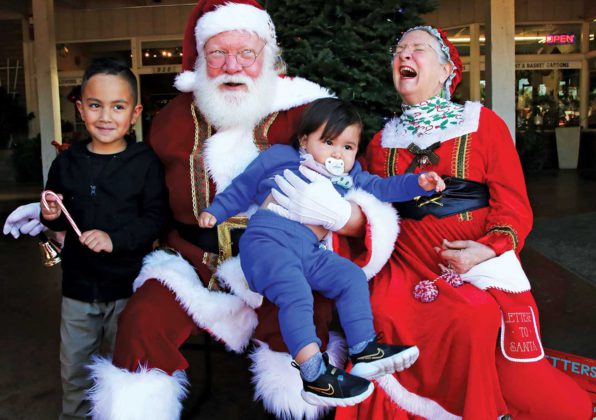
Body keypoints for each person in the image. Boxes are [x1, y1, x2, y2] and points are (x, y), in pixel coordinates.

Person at [0, 2, 405, 419]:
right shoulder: (171, 119)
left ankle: (301, 403)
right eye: (217, 52)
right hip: (191, 263)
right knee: (141, 322)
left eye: (246, 53)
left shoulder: (308, 112)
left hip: (284, 258)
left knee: (310, 311)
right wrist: (58, 212)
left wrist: (343, 216)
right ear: (199, 57)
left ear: (266, 56)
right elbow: (133, 189)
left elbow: (362, 188)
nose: (232, 65)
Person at [272, 26, 592, 419]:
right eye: (399, 50)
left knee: (475, 317)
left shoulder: (483, 124)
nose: (404, 56)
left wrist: (487, 248)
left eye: (417, 49)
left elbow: (513, 207)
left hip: (472, 269)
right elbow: (366, 206)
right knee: (379, 312)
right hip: (403, 266)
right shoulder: (379, 142)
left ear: (445, 71)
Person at [199, 97, 444, 406]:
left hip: (309, 252)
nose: (337, 154)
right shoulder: (281, 157)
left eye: (348, 147)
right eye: (328, 142)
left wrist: (417, 183)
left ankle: (364, 349)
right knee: (296, 292)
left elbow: (384, 188)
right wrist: (217, 210)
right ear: (305, 139)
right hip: (267, 243)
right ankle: (314, 374)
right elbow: (244, 186)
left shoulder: (350, 177)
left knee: (350, 277)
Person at [38, 57, 168, 419]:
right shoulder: (66, 162)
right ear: (81, 109)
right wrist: (48, 214)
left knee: (123, 371)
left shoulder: (145, 162)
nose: (106, 116)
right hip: (77, 290)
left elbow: (156, 218)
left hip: (129, 289)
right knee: (76, 371)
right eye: (95, 105)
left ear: (135, 112)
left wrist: (115, 239)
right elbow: (52, 210)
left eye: (118, 106)